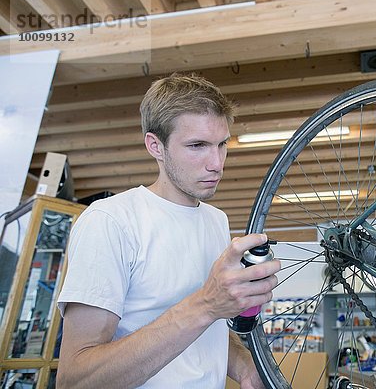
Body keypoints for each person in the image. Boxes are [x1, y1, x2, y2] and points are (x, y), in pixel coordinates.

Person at [56, 73, 281, 388]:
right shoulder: (110, 221)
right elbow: (76, 381)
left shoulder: (216, 220)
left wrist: (245, 368)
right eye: (197, 145)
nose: (216, 163)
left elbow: (205, 333)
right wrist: (205, 304)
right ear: (155, 146)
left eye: (222, 144)